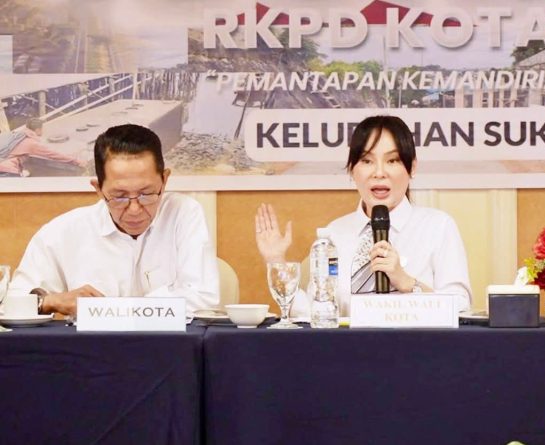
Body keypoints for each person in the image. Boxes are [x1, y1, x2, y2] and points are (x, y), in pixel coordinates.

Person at [255, 115, 472, 316]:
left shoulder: (438, 226)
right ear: (352, 170)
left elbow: (461, 306)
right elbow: (315, 312)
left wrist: (407, 283)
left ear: (412, 168)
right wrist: (276, 260)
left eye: (392, 160)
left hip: (417, 344)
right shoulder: (334, 233)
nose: (379, 173)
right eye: (367, 161)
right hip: (350, 345)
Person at [8, 124, 219, 316]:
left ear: (164, 181)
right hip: (91, 346)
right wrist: (50, 301)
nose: (134, 209)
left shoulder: (183, 213)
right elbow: (11, 304)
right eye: (119, 197)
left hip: (167, 345)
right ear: (98, 189)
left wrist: (110, 310)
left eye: (146, 194)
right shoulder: (63, 232)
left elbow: (203, 298)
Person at [0, 118, 85, 177]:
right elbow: (53, 154)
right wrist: (76, 160)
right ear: (38, 130)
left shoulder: (18, 135)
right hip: (7, 169)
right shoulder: (32, 143)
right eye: (42, 128)